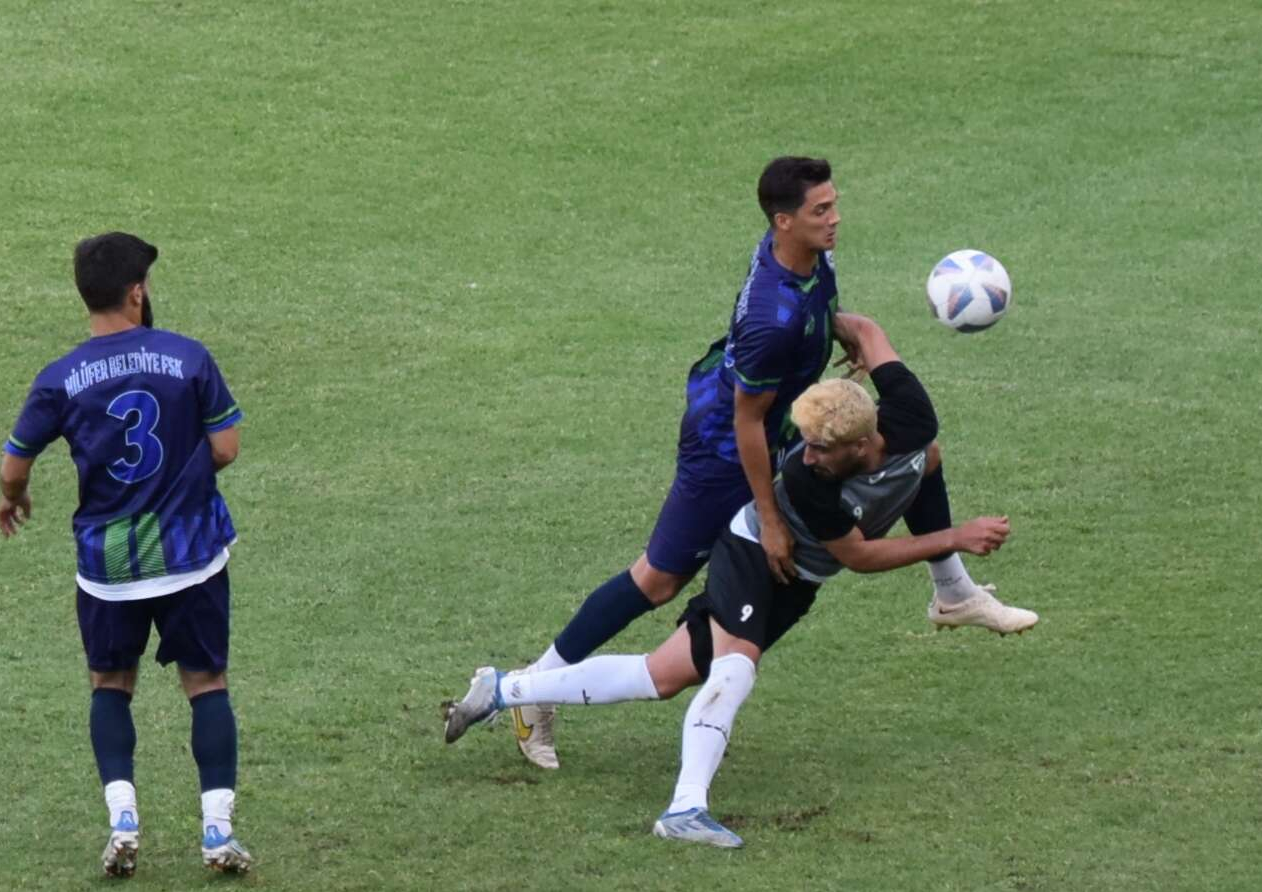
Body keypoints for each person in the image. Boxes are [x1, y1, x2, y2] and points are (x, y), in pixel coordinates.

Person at [509, 158, 1036, 770]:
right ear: (783, 221)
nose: (835, 219)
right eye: (821, 211)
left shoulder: (810, 258)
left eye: (834, 205)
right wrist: (771, 517)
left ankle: (953, 592)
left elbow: (820, 311)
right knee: (659, 579)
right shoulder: (770, 318)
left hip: (785, 424)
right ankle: (534, 687)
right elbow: (746, 421)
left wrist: (837, 332)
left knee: (923, 456)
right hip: (725, 449)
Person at [444, 313, 1037, 848]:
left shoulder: (910, 413)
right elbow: (859, 556)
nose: (806, 455)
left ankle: (505, 689)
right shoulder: (807, 478)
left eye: (821, 447)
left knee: (661, 676)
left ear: (862, 442)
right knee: (735, 670)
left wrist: (831, 320)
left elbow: (870, 330)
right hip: (753, 553)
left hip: (796, 581)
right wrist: (955, 536)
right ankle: (685, 809)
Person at [0, 233, 252, 876]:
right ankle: (217, 833)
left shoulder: (60, 378)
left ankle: (124, 822)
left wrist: (14, 499)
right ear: (137, 292)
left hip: (109, 567)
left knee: (110, 685)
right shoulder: (188, 357)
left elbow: (13, 466)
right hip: (191, 553)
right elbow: (226, 448)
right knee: (206, 684)